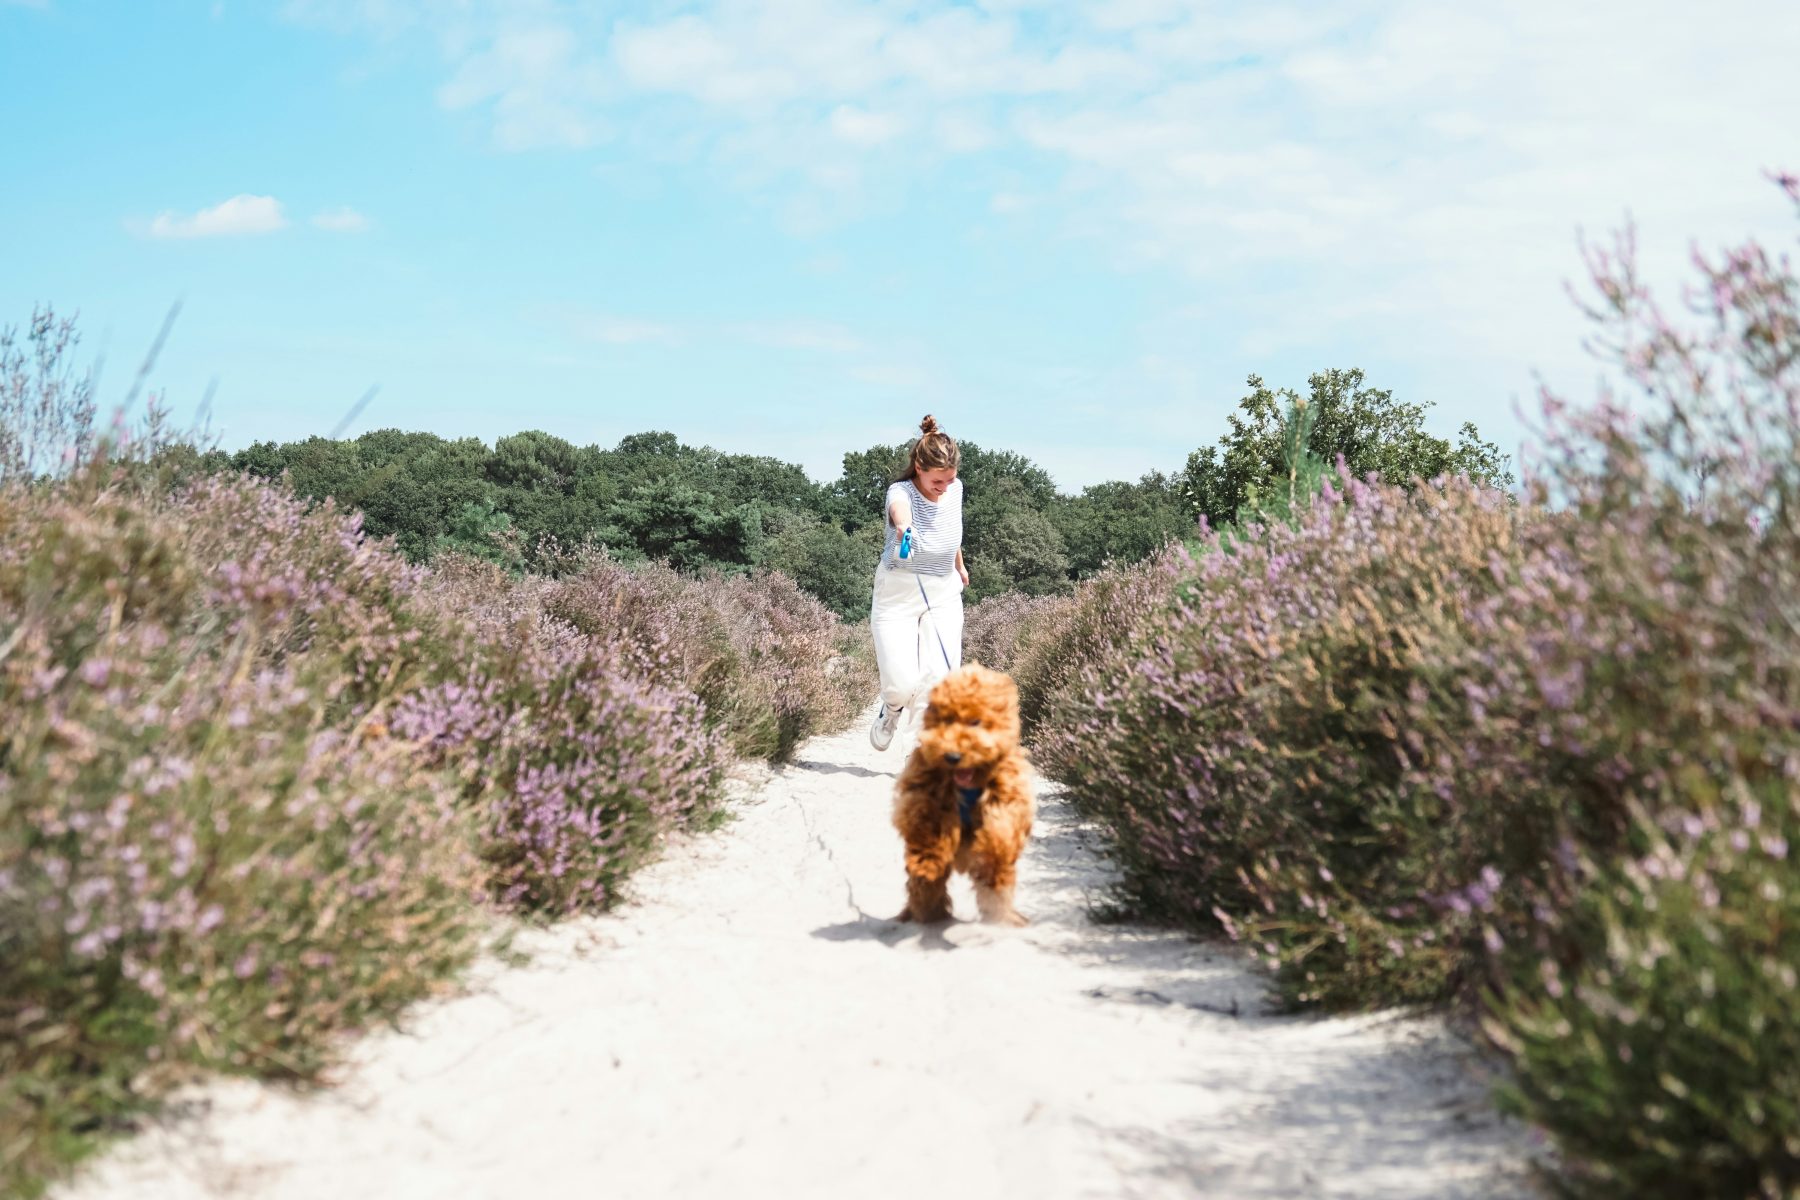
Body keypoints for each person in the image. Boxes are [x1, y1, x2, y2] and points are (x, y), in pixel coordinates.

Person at [869, 415, 969, 751]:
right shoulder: (900, 492)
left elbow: (950, 530)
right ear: (919, 468)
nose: (943, 488)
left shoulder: (955, 490)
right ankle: (892, 708)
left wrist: (960, 565)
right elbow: (901, 512)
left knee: (939, 681)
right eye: (937, 482)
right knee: (900, 683)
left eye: (949, 480)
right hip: (898, 592)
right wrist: (904, 528)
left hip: (943, 591)